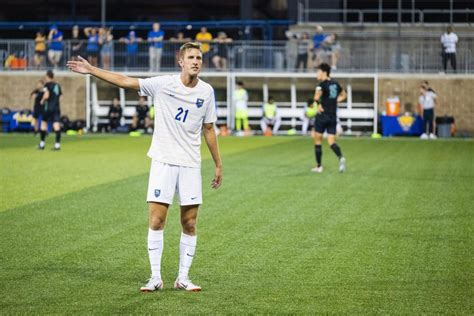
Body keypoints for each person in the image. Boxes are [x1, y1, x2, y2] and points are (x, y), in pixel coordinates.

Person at [67, 41, 223, 292]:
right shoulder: (163, 84)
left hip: (191, 164)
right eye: (191, 57)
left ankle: (183, 277)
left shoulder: (206, 92)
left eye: (199, 58)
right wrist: (92, 69)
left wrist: (218, 163)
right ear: (180, 61)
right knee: (157, 221)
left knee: (190, 223)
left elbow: (209, 128)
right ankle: (155, 277)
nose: (196, 61)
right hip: (163, 161)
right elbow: (126, 81)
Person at [312, 63, 347, 173]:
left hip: (322, 116)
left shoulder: (321, 85)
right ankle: (341, 157)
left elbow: (316, 97)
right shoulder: (336, 83)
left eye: (318, 71)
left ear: (324, 72)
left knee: (317, 140)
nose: (317, 74)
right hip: (332, 116)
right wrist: (336, 101)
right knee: (331, 141)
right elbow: (344, 95)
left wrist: (318, 104)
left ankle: (319, 166)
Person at [38, 70, 62, 150]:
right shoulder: (58, 85)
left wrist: (42, 101)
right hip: (56, 108)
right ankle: (57, 145)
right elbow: (59, 96)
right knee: (56, 126)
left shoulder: (47, 85)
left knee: (43, 124)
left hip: (48, 108)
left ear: (47, 76)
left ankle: (42, 144)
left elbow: (46, 95)